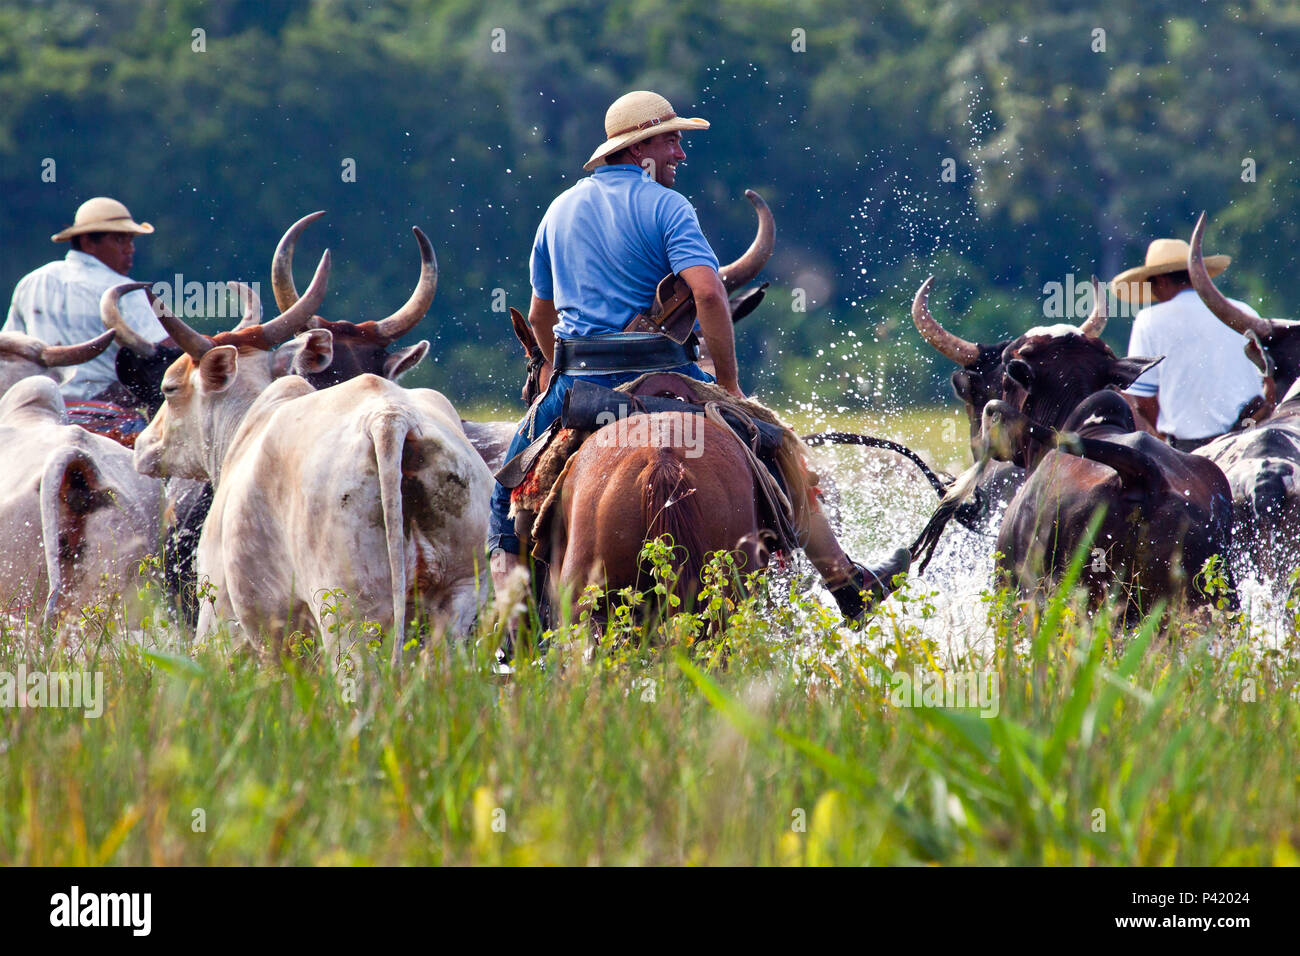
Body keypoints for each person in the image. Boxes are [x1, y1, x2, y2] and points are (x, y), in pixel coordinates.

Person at [488, 90, 910, 621]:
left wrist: (555, 374)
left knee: (505, 491)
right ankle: (846, 583)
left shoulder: (558, 209)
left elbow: (541, 315)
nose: (680, 154)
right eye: (671, 141)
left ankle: (511, 618)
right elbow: (709, 294)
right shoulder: (667, 207)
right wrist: (729, 386)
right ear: (638, 148)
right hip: (666, 373)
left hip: (580, 385)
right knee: (779, 446)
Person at [4, 196, 168, 403]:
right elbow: (167, 353)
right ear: (88, 242)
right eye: (119, 239)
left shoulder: (32, 282)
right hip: (106, 413)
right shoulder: (125, 292)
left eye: (130, 240)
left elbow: (9, 349)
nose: (130, 249)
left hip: (39, 407)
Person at [1112, 237, 1264, 451]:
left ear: (1162, 281)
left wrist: (1161, 432)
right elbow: (1269, 381)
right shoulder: (1244, 312)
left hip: (1192, 449)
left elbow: (1143, 399)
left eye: (1153, 287)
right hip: (1253, 438)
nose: (1155, 295)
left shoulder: (1150, 321)